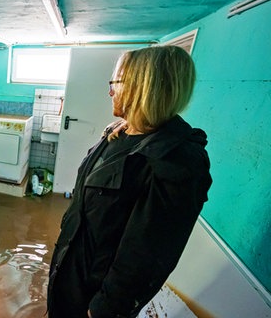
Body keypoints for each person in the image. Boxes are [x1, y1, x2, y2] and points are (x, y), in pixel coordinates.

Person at [46, 45, 212, 318]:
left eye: (116, 83)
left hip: (96, 295)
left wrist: (106, 308)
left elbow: (149, 253)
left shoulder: (176, 161)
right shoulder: (122, 133)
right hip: (72, 268)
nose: (110, 91)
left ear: (143, 87)